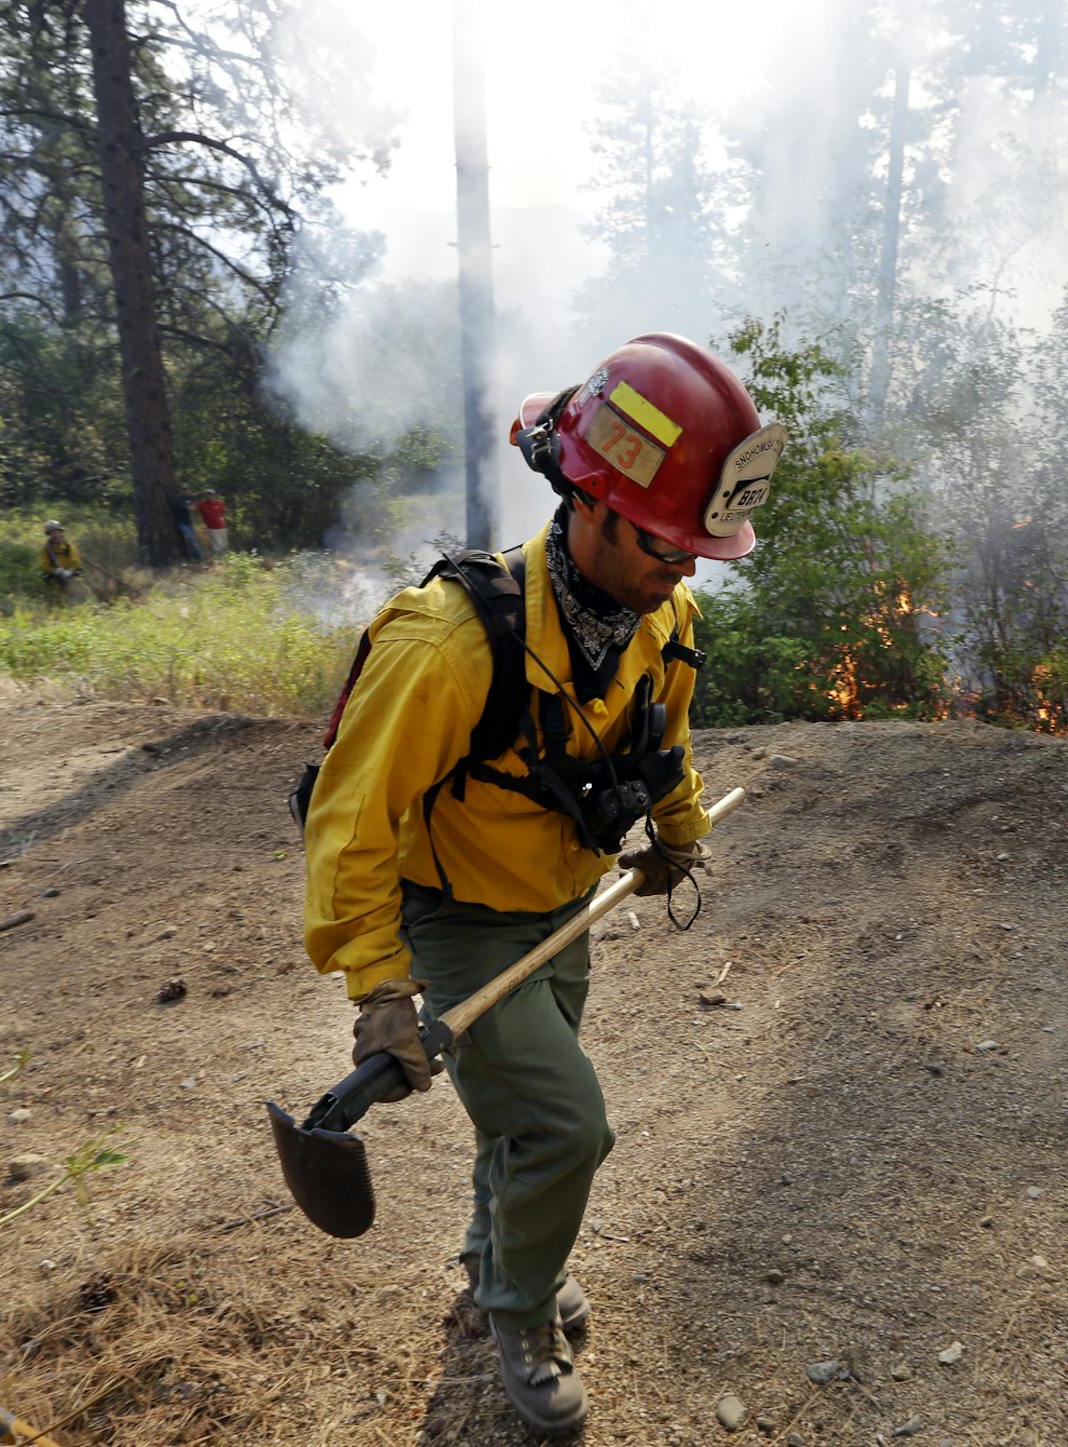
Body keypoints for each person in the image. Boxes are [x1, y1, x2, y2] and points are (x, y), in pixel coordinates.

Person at [299, 333, 784, 1437]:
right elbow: (349, 825)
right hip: (462, 922)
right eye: (669, 541)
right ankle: (515, 1305)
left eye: (701, 545)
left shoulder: (663, 615)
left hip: (564, 904)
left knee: (517, 1115)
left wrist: (675, 830)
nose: (691, 566)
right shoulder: (450, 646)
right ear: (594, 506)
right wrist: (379, 985)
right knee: (567, 1125)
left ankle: (502, 1248)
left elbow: (669, 734)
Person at [38, 520, 83, 602]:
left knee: (78, 589)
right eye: (52, 532)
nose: (55, 534)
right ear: (49, 534)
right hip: (55, 575)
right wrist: (54, 571)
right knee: (55, 592)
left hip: (70, 573)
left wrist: (70, 571)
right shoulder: (45, 549)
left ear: (60, 532)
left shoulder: (69, 546)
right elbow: (44, 565)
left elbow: (75, 561)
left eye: (56, 531)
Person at [193, 489, 229, 555]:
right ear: (206, 496)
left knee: (224, 545)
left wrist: (223, 519)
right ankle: (219, 559)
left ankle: (226, 559)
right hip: (212, 528)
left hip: (222, 527)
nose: (210, 496)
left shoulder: (220, 503)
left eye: (212, 494)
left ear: (215, 495)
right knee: (218, 545)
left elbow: (224, 512)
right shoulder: (202, 504)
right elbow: (193, 509)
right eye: (208, 495)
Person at [169, 494, 202, 562]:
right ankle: (199, 555)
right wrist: (191, 505)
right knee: (191, 539)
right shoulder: (179, 500)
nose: (185, 491)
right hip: (181, 523)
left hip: (188, 523)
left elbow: (193, 509)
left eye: (186, 489)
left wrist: (192, 505)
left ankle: (193, 557)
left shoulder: (188, 499)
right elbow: (190, 508)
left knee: (190, 540)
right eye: (184, 489)